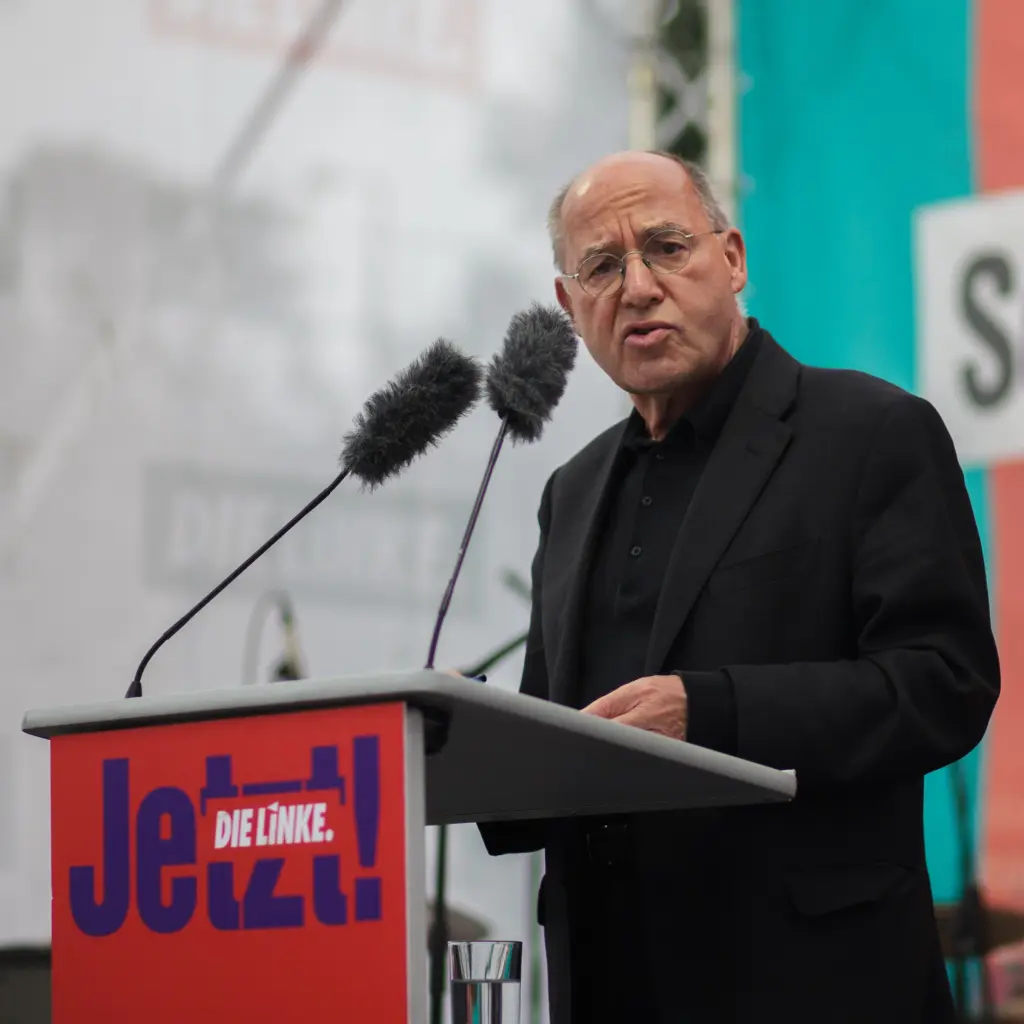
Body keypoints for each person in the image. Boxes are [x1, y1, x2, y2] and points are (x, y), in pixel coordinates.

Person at [478, 150, 1000, 1024]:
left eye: (667, 248)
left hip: (808, 980)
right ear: (571, 308)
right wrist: (469, 743)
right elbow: (564, 741)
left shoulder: (869, 434)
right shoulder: (569, 490)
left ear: (733, 259)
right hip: (608, 982)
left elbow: (942, 684)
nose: (637, 287)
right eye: (602, 266)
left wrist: (710, 713)